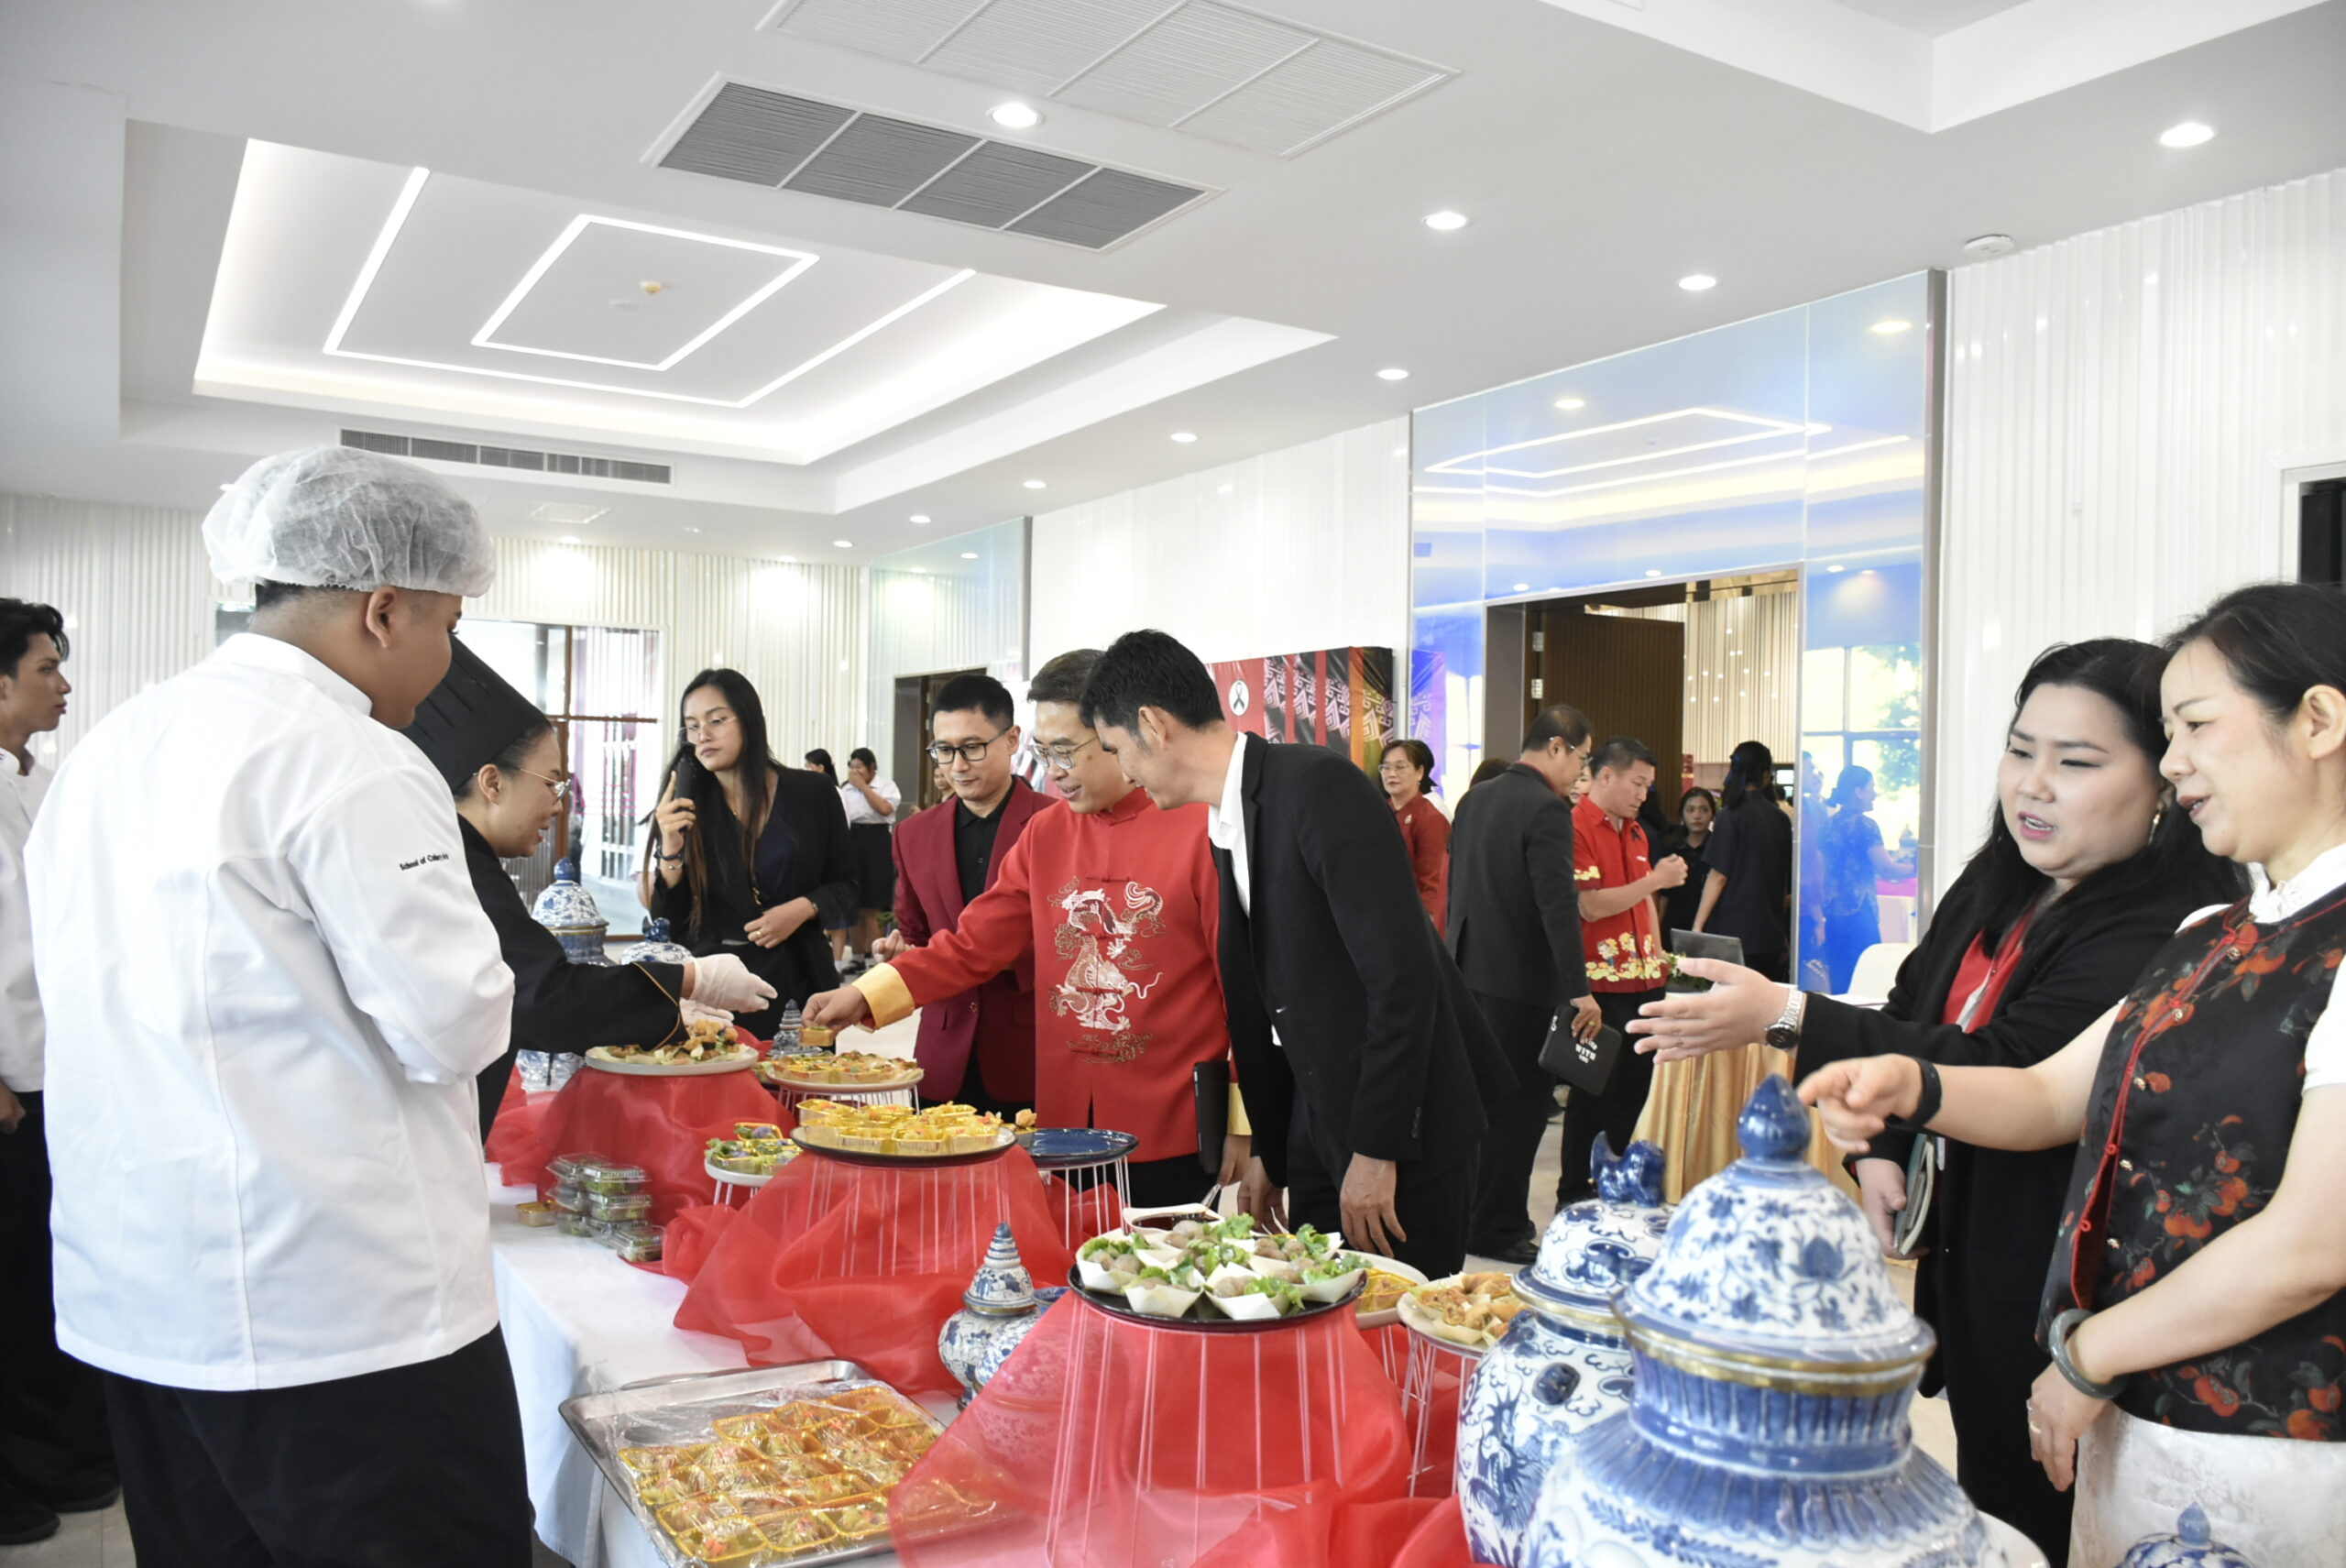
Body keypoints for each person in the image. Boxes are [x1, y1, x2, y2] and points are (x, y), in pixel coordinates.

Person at [27, 446, 532, 1565]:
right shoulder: (353, 757)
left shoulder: (110, 749)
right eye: (449, 624)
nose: (449, 661)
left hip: (143, 1297)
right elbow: (452, 1022)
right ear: (384, 609)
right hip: (342, 1317)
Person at [1628, 639, 2241, 1561]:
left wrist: (1786, 1013)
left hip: (2070, 1291)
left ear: (2163, 781)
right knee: (1991, 1495)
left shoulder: (2167, 925)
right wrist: (1877, 1150)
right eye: (2020, 749)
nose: (2033, 783)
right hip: (1970, 1269)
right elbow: (1911, 1013)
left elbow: (2010, 1066)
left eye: (2076, 762)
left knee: (2054, 1525)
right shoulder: (2000, 883)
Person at [1798, 585, 2346, 1568]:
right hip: (2139, 1419)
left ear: (2317, 720)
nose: (2173, 761)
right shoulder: (2209, 936)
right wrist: (1907, 1087)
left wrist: (2086, 1353)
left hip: (2281, 1446)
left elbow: (2311, 1242)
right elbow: (2052, 1092)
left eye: (2196, 726)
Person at [1082, 630, 1492, 1276]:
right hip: (1321, 1119)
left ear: (1153, 725)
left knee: (1399, 1319)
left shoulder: (1318, 786)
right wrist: (1273, 1150)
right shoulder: (1227, 819)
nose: (1123, 770)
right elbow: (1275, 999)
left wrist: (1377, 1148)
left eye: (1115, 748)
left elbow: (1403, 979)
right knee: (1320, 1312)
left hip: (1401, 1127)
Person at [806, 650, 1255, 1208]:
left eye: (1066, 751)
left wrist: (1245, 1120)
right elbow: (973, 945)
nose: (1054, 770)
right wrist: (864, 995)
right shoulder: (1046, 834)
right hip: (1063, 1118)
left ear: (1118, 735)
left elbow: (1242, 989)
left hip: (1171, 1119)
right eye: (1043, 752)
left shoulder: (1199, 828)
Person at [404, 641, 776, 1137]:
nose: (559, 805)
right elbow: (543, 998)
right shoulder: (455, 864)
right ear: (492, 783)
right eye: (551, 783)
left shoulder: (456, 851)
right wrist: (690, 979)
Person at [0, 599, 110, 1547]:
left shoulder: (38, 781)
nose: (63, 684)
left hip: (55, 1069)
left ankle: (57, 1454)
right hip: (7, 1077)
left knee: (42, 1270)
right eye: (45, 668)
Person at [1445, 707, 1602, 1262]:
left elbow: (1458, 892)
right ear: (1557, 746)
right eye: (1582, 758)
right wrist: (1579, 989)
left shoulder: (1475, 799)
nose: (1580, 773)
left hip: (1468, 976)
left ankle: (1469, 1216)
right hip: (1522, 986)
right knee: (1519, 1114)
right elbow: (1557, 906)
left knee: (1480, 1109)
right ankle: (1499, 1226)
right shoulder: (1547, 808)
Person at [877, 674, 1046, 1119]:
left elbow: (1070, 939)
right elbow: (914, 931)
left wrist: (990, 953)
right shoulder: (914, 833)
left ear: (1012, 740)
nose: (957, 765)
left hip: (1026, 1050)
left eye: (972, 747)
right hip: (943, 1050)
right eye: (944, 750)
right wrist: (900, 951)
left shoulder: (1057, 823)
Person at [641, 670, 856, 1009]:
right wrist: (670, 849)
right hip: (721, 988)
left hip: (802, 979)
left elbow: (846, 884)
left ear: (751, 721)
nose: (703, 735)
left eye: (716, 720)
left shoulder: (813, 792)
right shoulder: (687, 803)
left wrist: (803, 908)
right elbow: (671, 922)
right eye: (692, 726)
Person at [1564, 738, 1685, 1206]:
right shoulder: (1576, 826)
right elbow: (1591, 906)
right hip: (1600, 984)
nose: (1643, 794)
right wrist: (1655, 880)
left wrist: (1658, 956)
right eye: (1637, 783)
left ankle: (1613, 1182)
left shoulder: (1636, 832)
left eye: (1648, 786)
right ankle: (1574, 1190)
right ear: (1606, 775)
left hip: (1644, 980)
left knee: (1635, 1091)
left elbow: (1644, 904)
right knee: (1592, 1091)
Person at [1692, 739, 1792, 979]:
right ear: (1766, 775)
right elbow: (1785, 884)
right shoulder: (1780, 818)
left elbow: (1718, 876)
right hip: (1771, 933)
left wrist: (1698, 925)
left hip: (1733, 932)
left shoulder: (1730, 815)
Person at [1820, 765, 1917, 992]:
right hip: (1860, 912)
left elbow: (1822, 870)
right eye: (1871, 787)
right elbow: (1887, 869)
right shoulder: (1866, 826)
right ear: (1858, 792)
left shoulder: (1827, 826)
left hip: (1833, 913)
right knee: (1864, 980)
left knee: (1839, 981)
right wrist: (1914, 867)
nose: (1875, 793)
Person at [838, 746, 900, 969]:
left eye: (860, 767)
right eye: (852, 767)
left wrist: (863, 787)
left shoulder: (886, 786)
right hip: (852, 839)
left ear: (872, 767)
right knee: (853, 903)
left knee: (873, 904)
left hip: (877, 841)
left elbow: (885, 809)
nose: (855, 771)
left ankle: (877, 960)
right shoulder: (845, 789)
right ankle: (857, 957)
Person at [1380, 738, 1450, 933]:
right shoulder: (1380, 812)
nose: (1391, 774)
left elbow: (1434, 882)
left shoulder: (1430, 818)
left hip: (1415, 921)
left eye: (1400, 767)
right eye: (1386, 767)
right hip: (1384, 916)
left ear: (1420, 772)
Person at [1658, 785, 1716, 946]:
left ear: (1712, 815)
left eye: (1704, 810)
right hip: (1674, 926)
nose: (1697, 816)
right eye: (1690, 810)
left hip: (1710, 927)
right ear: (1682, 815)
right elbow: (1663, 896)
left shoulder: (1718, 848)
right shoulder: (1672, 850)